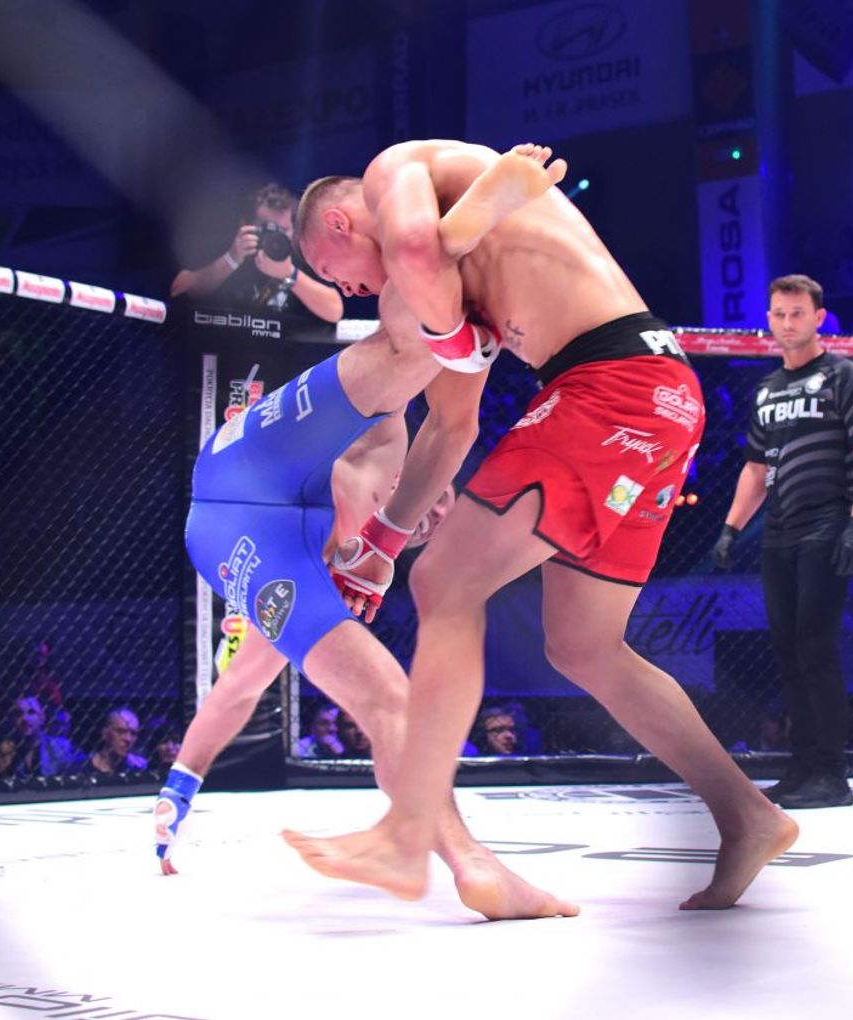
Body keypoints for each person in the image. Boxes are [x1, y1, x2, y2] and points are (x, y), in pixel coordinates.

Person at [282, 139, 797, 912]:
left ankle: (408, 828)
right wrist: (383, 543)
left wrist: (451, 330)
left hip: (612, 387)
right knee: (584, 645)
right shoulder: (448, 279)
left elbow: (415, 246)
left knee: (446, 580)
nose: (348, 290)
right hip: (656, 397)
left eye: (333, 271)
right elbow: (451, 428)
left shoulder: (395, 172)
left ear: (337, 221)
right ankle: (748, 814)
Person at [156, 142, 578, 921]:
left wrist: (179, 786)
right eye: (332, 274)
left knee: (391, 698)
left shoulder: (356, 506)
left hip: (272, 508)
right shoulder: (386, 395)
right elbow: (238, 687)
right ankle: (463, 229)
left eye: (334, 272)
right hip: (236, 488)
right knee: (402, 340)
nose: (344, 287)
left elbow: (456, 430)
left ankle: (470, 864)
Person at [708, 274, 853, 809]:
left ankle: (832, 773)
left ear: (819, 317)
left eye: (797, 313)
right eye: (779, 314)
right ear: (769, 319)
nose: (787, 323)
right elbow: (755, 468)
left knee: (815, 648)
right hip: (779, 531)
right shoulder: (767, 389)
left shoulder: (844, 376)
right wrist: (731, 527)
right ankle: (803, 766)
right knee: (788, 651)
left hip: (827, 523)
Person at [169, 182, 344, 324]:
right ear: (245, 225)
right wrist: (230, 260)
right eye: (269, 228)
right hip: (219, 343)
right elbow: (178, 290)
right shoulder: (230, 245)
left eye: (284, 229)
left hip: (279, 351)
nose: (277, 236)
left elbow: (335, 310)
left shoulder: (297, 255)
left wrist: (290, 275)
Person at [0, 695, 82, 780]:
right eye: (18, 714)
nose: (25, 718)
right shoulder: (7, 750)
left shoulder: (61, 746)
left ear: (42, 718)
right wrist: (4, 772)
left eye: (31, 712)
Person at [88, 706, 147, 774]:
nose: (128, 739)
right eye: (121, 731)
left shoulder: (138, 771)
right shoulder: (82, 771)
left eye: (133, 733)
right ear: (105, 733)